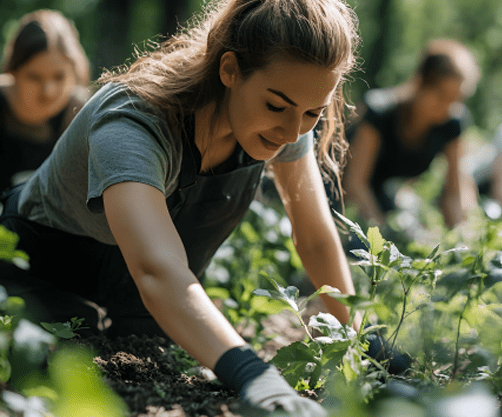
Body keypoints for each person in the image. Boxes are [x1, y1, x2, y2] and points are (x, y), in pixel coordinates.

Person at [0, 0, 360, 414]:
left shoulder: (281, 118)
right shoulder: (134, 121)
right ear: (229, 70)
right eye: (277, 106)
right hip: (39, 275)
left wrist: (360, 339)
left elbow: (313, 235)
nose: (293, 131)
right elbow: (156, 268)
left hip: (137, 300)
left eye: (313, 112)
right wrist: (254, 375)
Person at [343, 38, 480, 229]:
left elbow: (456, 192)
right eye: (442, 96)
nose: (448, 107)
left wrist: (463, 238)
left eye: (456, 100)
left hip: (381, 196)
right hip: (339, 193)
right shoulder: (379, 113)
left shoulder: (452, 123)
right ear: (420, 82)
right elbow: (355, 185)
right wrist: (384, 238)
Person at [0, 9, 91, 191]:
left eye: (59, 77)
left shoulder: (80, 114)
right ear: (14, 72)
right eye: (34, 77)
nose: (48, 91)